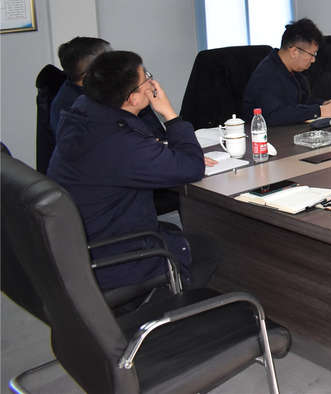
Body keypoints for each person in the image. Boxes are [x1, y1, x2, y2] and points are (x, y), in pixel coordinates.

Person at [47, 51, 217, 291]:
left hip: (81, 246)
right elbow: (192, 167)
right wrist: (170, 115)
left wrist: (154, 150)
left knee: (174, 232)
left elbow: (117, 156)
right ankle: (166, 303)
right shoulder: (120, 144)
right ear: (133, 99)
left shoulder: (83, 113)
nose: (152, 82)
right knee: (209, 247)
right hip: (116, 260)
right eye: (146, 78)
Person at [243, 18, 331, 126]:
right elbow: (273, 115)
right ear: (294, 52)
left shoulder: (292, 70)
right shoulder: (267, 75)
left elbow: (300, 103)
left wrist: (325, 104)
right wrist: (320, 111)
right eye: (312, 54)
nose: (313, 60)